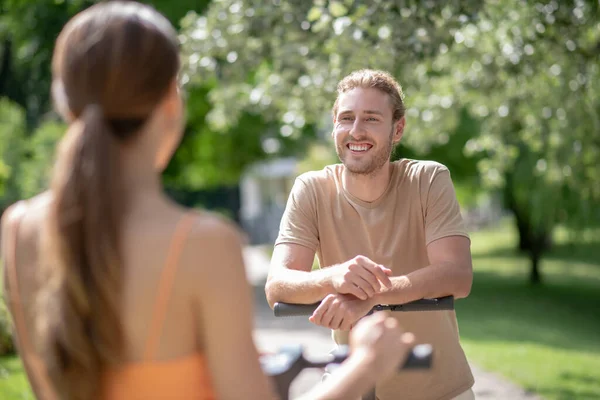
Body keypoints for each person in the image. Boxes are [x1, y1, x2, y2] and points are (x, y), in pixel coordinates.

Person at [0, 4, 417, 400]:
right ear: (171, 101)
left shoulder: (19, 228)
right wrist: (366, 363)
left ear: (65, 101)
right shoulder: (203, 242)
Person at [265, 69, 476, 400]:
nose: (356, 131)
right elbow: (277, 286)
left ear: (398, 129)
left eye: (371, 119)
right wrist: (335, 277)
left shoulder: (428, 179)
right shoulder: (311, 189)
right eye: (346, 118)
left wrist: (371, 296)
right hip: (354, 384)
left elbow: (457, 274)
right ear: (334, 124)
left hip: (439, 388)